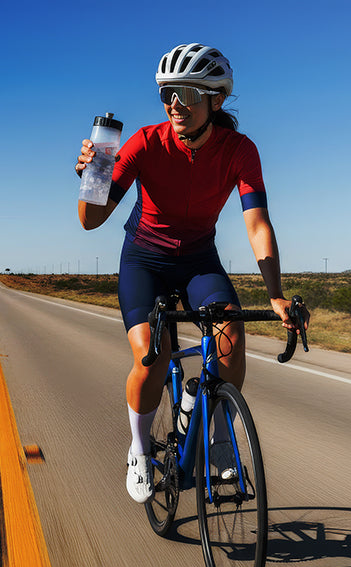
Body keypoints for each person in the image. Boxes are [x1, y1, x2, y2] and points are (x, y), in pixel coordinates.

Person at [75, 43, 309, 503]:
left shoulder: (240, 151)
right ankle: (140, 450)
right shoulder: (145, 142)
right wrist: (94, 173)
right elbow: (90, 219)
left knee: (231, 338)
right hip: (144, 258)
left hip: (200, 259)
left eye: (185, 92)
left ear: (216, 100)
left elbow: (257, 223)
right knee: (152, 355)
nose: (174, 104)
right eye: (167, 93)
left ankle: (218, 434)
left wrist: (276, 294)